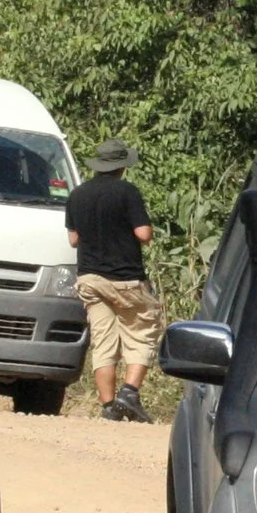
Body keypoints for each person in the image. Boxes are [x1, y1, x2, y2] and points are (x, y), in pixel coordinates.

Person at [65, 138, 161, 422]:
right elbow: (144, 234)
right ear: (122, 166)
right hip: (125, 279)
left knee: (103, 340)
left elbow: (73, 239)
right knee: (141, 331)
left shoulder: (78, 194)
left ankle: (108, 406)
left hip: (90, 279)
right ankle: (129, 392)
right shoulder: (127, 192)